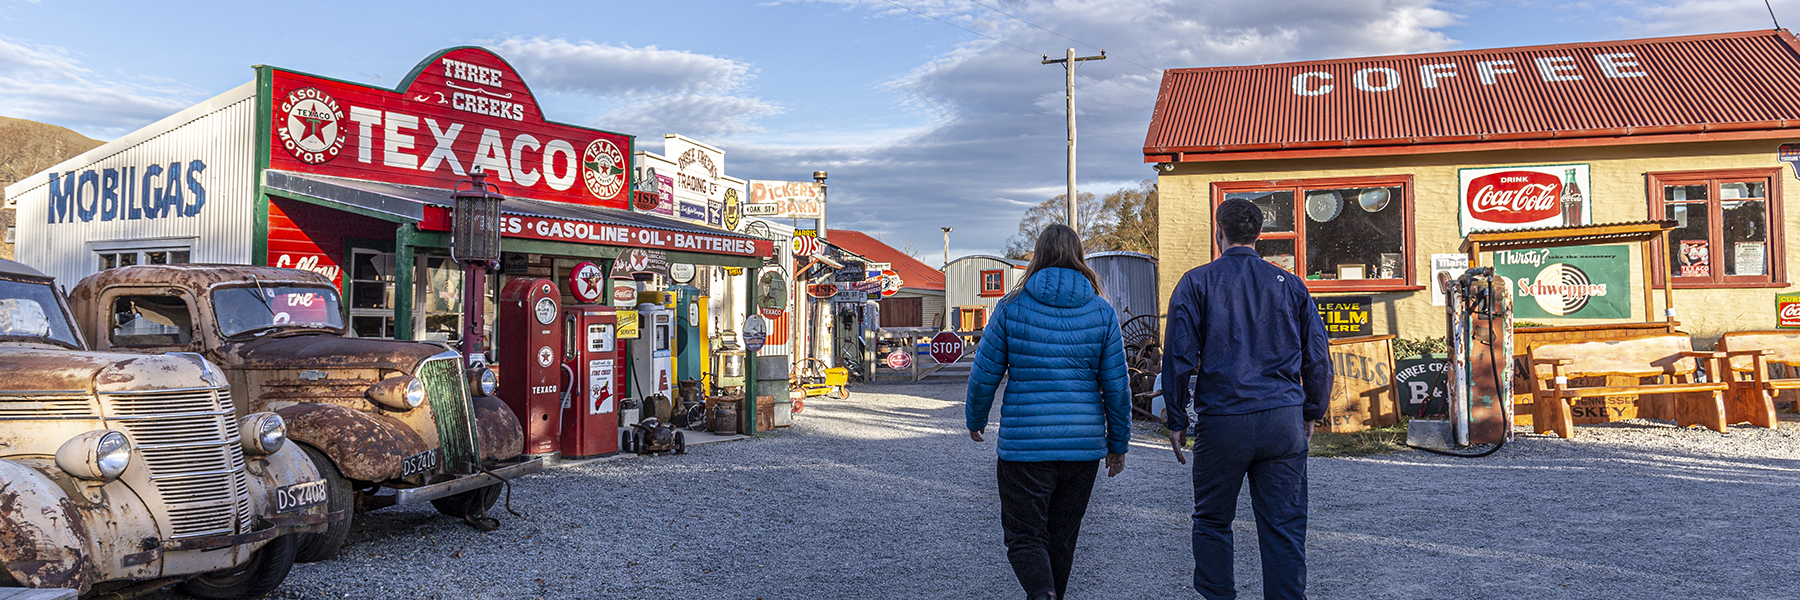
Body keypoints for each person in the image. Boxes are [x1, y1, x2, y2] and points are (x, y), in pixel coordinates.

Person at [1162, 198, 1331, 600]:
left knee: (1212, 521)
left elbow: (1178, 355)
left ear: (1218, 232)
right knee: (1284, 526)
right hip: (1282, 419)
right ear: (1259, 235)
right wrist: (1312, 410)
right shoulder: (1290, 285)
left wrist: (1176, 417)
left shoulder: (1196, 282)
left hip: (1224, 421)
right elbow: (1318, 356)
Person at [966, 224, 1131, 600]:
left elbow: (984, 372)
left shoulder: (1011, 306)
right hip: (1082, 447)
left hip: (1025, 446)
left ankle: (1041, 594)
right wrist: (1117, 443)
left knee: (1025, 536)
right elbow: (1117, 387)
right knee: (1061, 537)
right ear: (1079, 256)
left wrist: (976, 418)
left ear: (1037, 255)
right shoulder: (1101, 311)